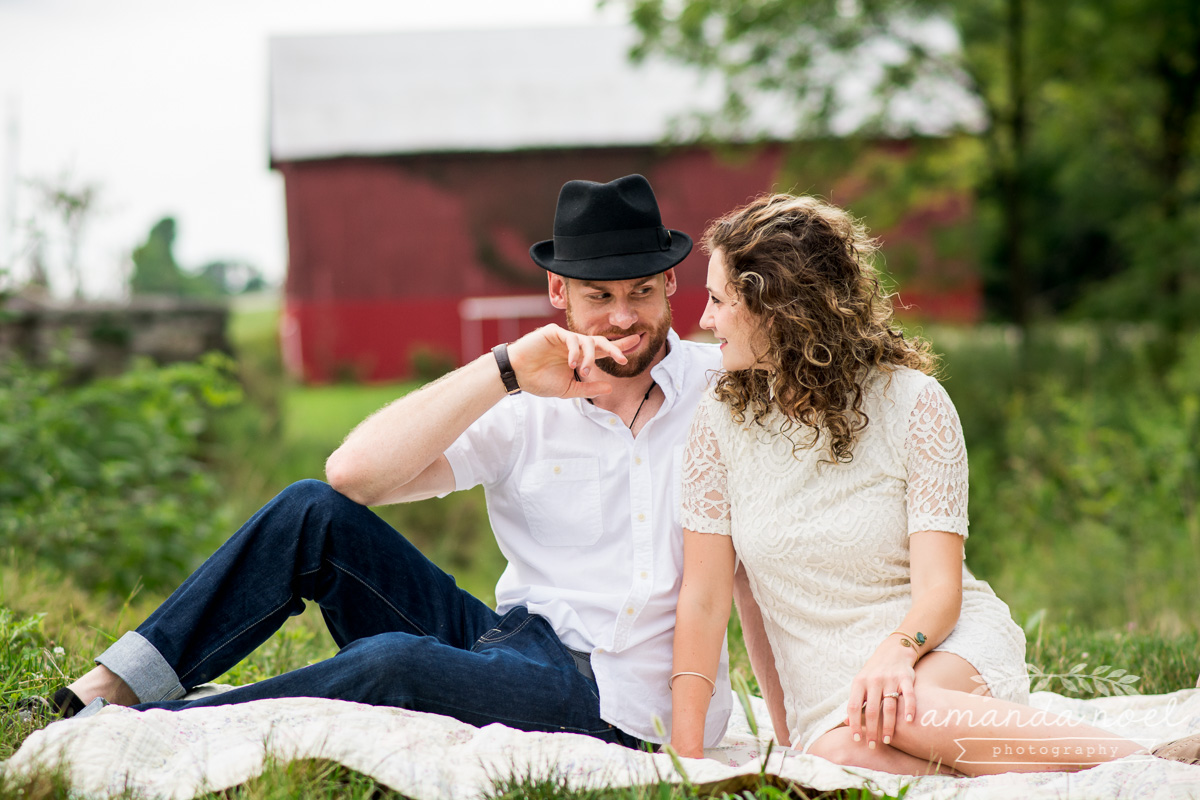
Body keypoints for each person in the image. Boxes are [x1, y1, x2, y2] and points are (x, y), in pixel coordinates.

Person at [52, 174, 732, 751]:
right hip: (508, 641)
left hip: (612, 701)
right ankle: (116, 683)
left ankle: (146, 731)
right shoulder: (526, 396)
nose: (622, 319)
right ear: (558, 291)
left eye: (641, 292)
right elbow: (354, 477)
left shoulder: (720, 391)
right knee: (309, 510)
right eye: (600, 298)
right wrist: (505, 371)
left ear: (672, 282)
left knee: (393, 665)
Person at [666, 193, 1172, 775]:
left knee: (904, 712)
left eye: (718, 300)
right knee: (840, 754)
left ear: (776, 308)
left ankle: (1154, 762)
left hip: (936, 645)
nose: (704, 320)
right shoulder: (719, 422)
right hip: (832, 697)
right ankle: (1037, 768)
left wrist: (896, 652)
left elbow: (940, 589)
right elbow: (710, 601)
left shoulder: (914, 404)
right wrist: (688, 760)